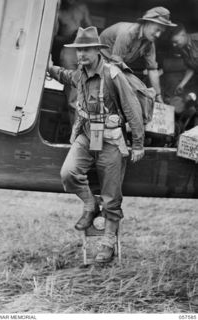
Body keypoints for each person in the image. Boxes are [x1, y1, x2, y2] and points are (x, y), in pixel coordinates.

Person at [48, 26, 145, 263]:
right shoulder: (80, 73)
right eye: (79, 50)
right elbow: (65, 76)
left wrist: (138, 144)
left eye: (86, 50)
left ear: (98, 50)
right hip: (86, 135)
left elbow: (133, 110)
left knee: (112, 195)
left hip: (111, 139)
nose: (81, 55)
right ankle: (90, 205)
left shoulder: (113, 75)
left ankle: (108, 241)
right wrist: (49, 67)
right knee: (68, 173)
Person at [100, 6, 177, 103]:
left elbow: (152, 70)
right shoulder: (127, 33)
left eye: (161, 32)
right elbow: (115, 65)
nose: (158, 35)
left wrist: (158, 95)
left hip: (117, 65)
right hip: (100, 59)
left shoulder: (149, 43)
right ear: (147, 23)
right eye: (157, 30)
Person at [52, 0, 92, 125]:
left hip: (83, 50)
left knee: (88, 88)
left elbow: (91, 28)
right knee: (73, 91)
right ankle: (75, 131)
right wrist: (69, 37)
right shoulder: (58, 13)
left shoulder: (82, 7)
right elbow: (53, 38)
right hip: (68, 52)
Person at [171, 24, 198, 96]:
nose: (174, 45)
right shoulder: (182, 48)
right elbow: (192, 67)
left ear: (183, 35)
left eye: (176, 41)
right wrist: (181, 85)